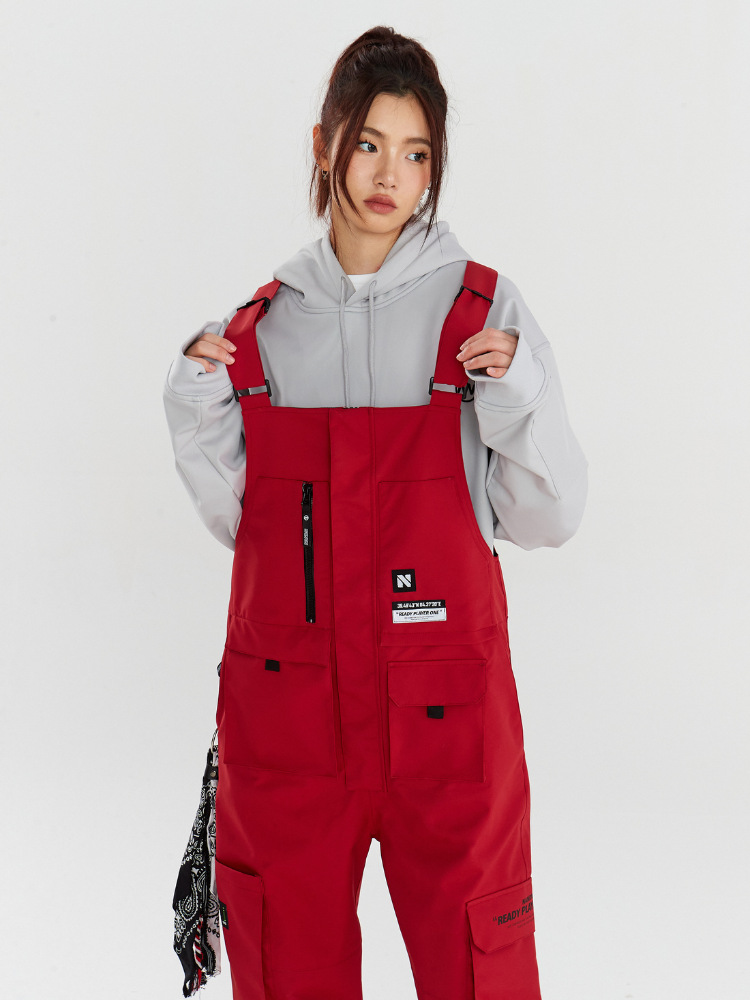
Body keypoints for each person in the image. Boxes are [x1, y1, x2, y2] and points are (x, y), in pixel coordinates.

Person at [163, 25, 587, 1000]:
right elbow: (243, 532)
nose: (391, 175)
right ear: (324, 145)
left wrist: (517, 393)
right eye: (368, 143)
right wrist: (194, 400)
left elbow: (551, 515)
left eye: (417, 152)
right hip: (288, 735)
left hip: (450, 729)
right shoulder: (262, 333)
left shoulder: (481, 313)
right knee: (287, 968)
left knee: (480, 974)